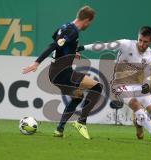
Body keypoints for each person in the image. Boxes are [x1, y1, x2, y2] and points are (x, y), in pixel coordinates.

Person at [22, 6, 103, 140]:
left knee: (78, 96)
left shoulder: (65, 26)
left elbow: (58, 42)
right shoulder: (73, 31)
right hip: (63, 73)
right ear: (87, 20)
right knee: (98, 87)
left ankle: (59, 130)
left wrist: (71, 52)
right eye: (90, 23)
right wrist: (37, 62)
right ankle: (81, 122)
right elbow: (54, 45)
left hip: (55, 74)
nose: (89, 25)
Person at [77, 26, 151, 142]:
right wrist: (82, 48)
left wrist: (146, 84)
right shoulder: (126, 44)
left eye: (145, 42)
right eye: (140, 40)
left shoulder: (150, 56)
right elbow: (104, 46)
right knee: (135, 104)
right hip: (119, 84)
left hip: (137, 85)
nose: (142, 44)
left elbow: (147, 75)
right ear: (137, 38)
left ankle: (139, 122)